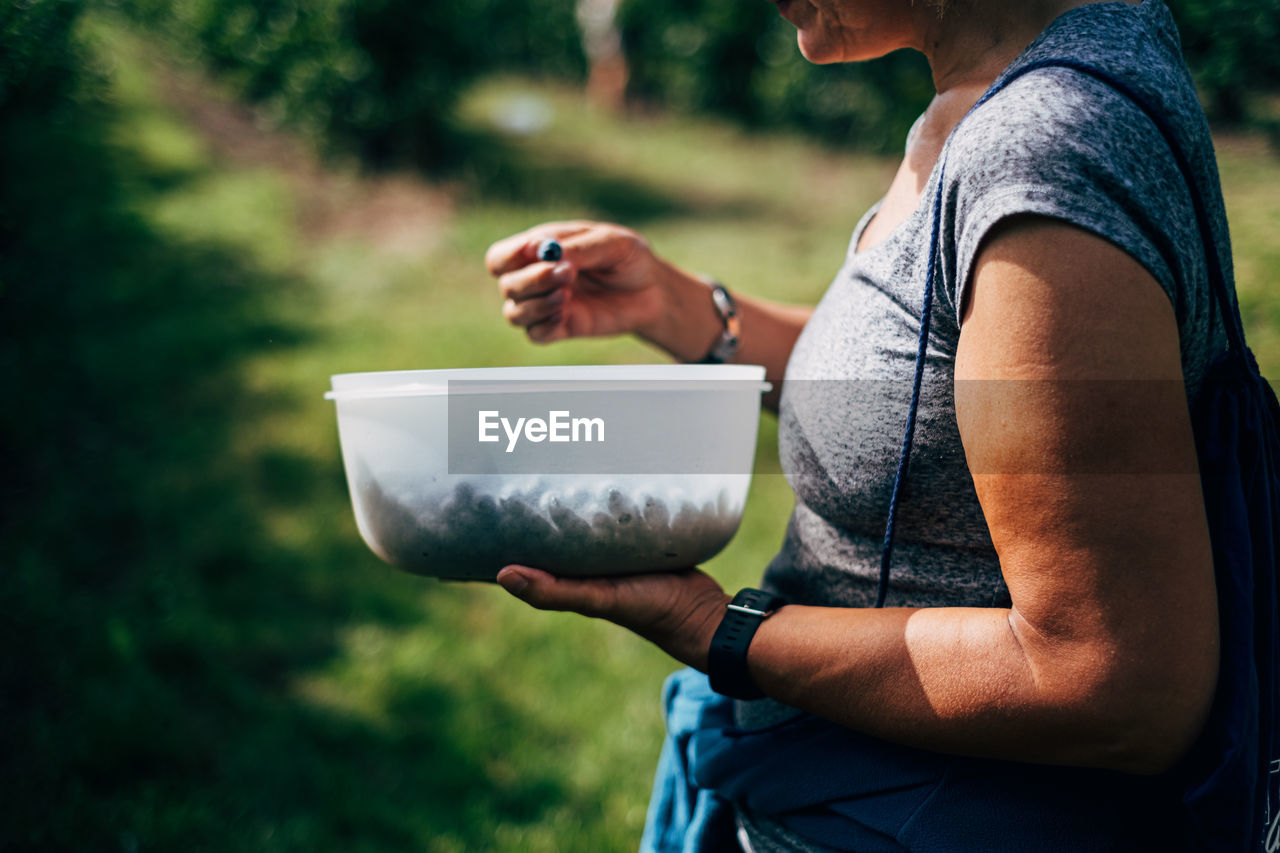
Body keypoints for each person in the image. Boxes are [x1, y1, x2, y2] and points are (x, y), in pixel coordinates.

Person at [484, 0, 1234, 849]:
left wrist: (718, 629)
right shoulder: (1013, 79)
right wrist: (678, 306)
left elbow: (1114, 683)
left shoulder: (1043, 143)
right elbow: (932, 382)